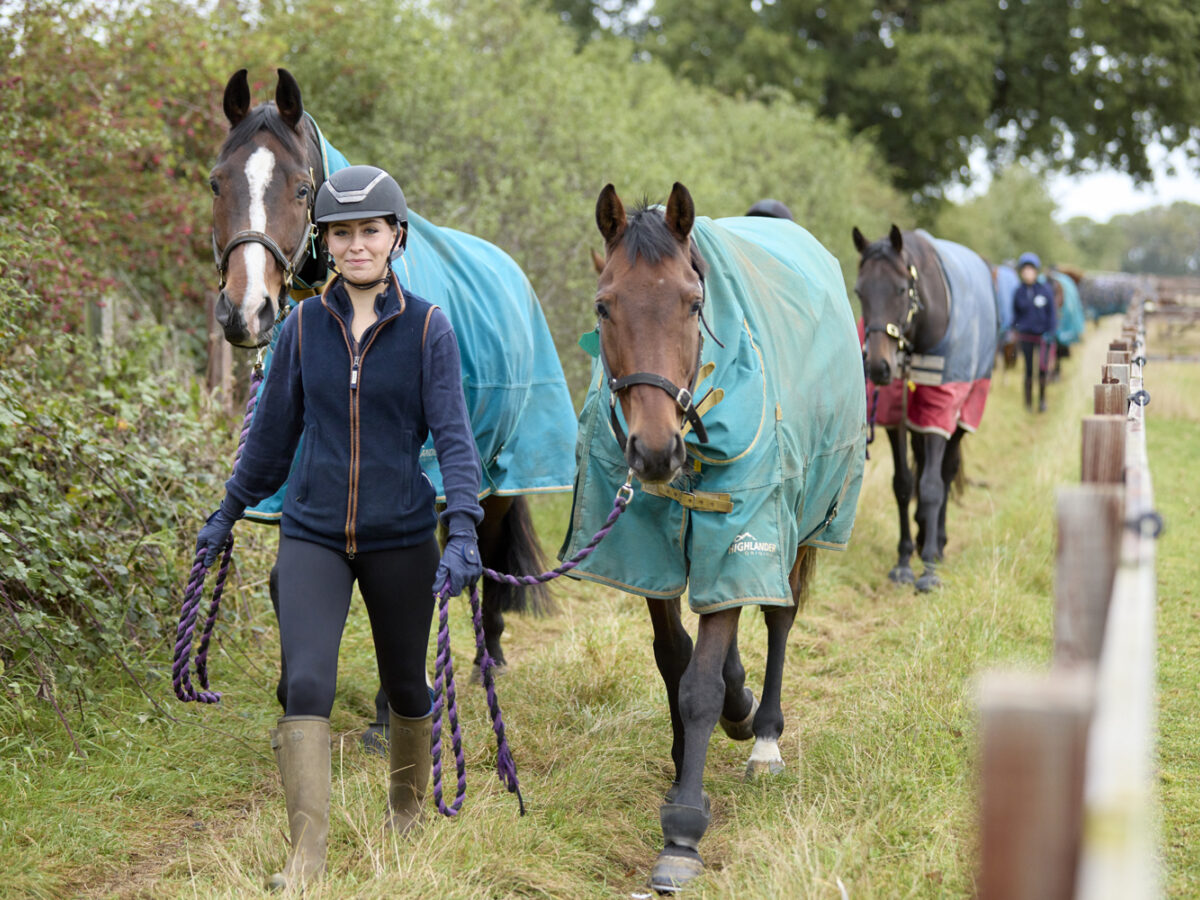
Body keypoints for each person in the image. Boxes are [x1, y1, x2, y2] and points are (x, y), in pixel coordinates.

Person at [196, 165, 484, 890]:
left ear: (396, 237)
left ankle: (406, 812)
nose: (357, 245)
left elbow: (453, 438)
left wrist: (466, 530)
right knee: (307, 683)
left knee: (407, 687)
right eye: (343, 233)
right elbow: (269, 437)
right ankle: (307, 857)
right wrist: (230, 508)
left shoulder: (428, 329)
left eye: (371, 231)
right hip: (314, 533)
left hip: (401, 535)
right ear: (324, 242)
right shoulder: (300, 330)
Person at [1010, 251, 1058, 412]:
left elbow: (1052, 313)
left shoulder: (1045, 290)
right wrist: (1014, 330)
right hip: (1026, 337)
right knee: (1028, 370)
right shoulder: (1019, 292)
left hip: (1043, 338)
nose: (1028, 273)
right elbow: (1015, 314)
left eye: (1030, 270)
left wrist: (1051, 332)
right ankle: (1028, 403)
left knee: (1042, 370)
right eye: (1025, 270)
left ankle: (1042, 401)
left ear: (1036, 271)